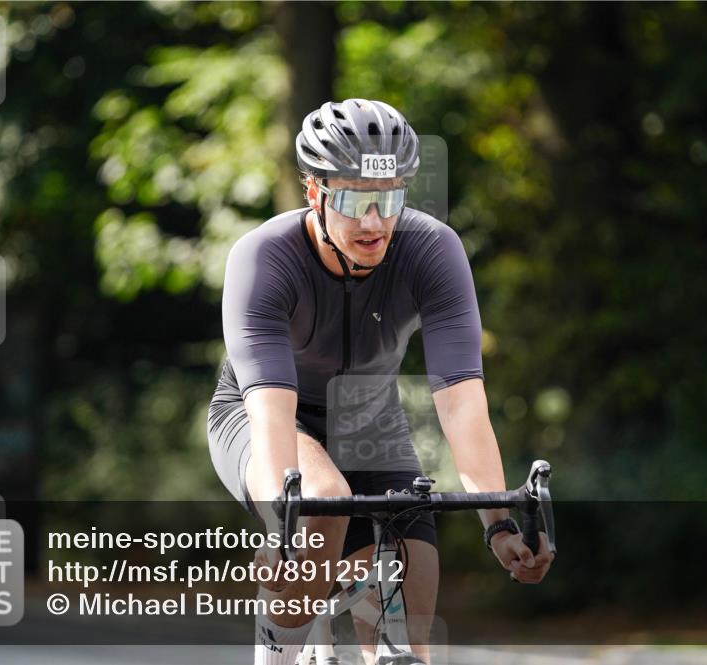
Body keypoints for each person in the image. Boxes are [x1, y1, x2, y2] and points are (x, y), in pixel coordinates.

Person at [208, 98, 554, 665]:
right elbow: (271, 411)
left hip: (370, 419)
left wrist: (500, 524)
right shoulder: (265, 258)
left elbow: (463, 404)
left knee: (410, 640)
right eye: (354, 199)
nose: (374, 221)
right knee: (322, 500)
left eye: (388, 198)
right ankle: (278, 644)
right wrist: (283, 521)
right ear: (314, 192)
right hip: (265, 418)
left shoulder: (432, 250)